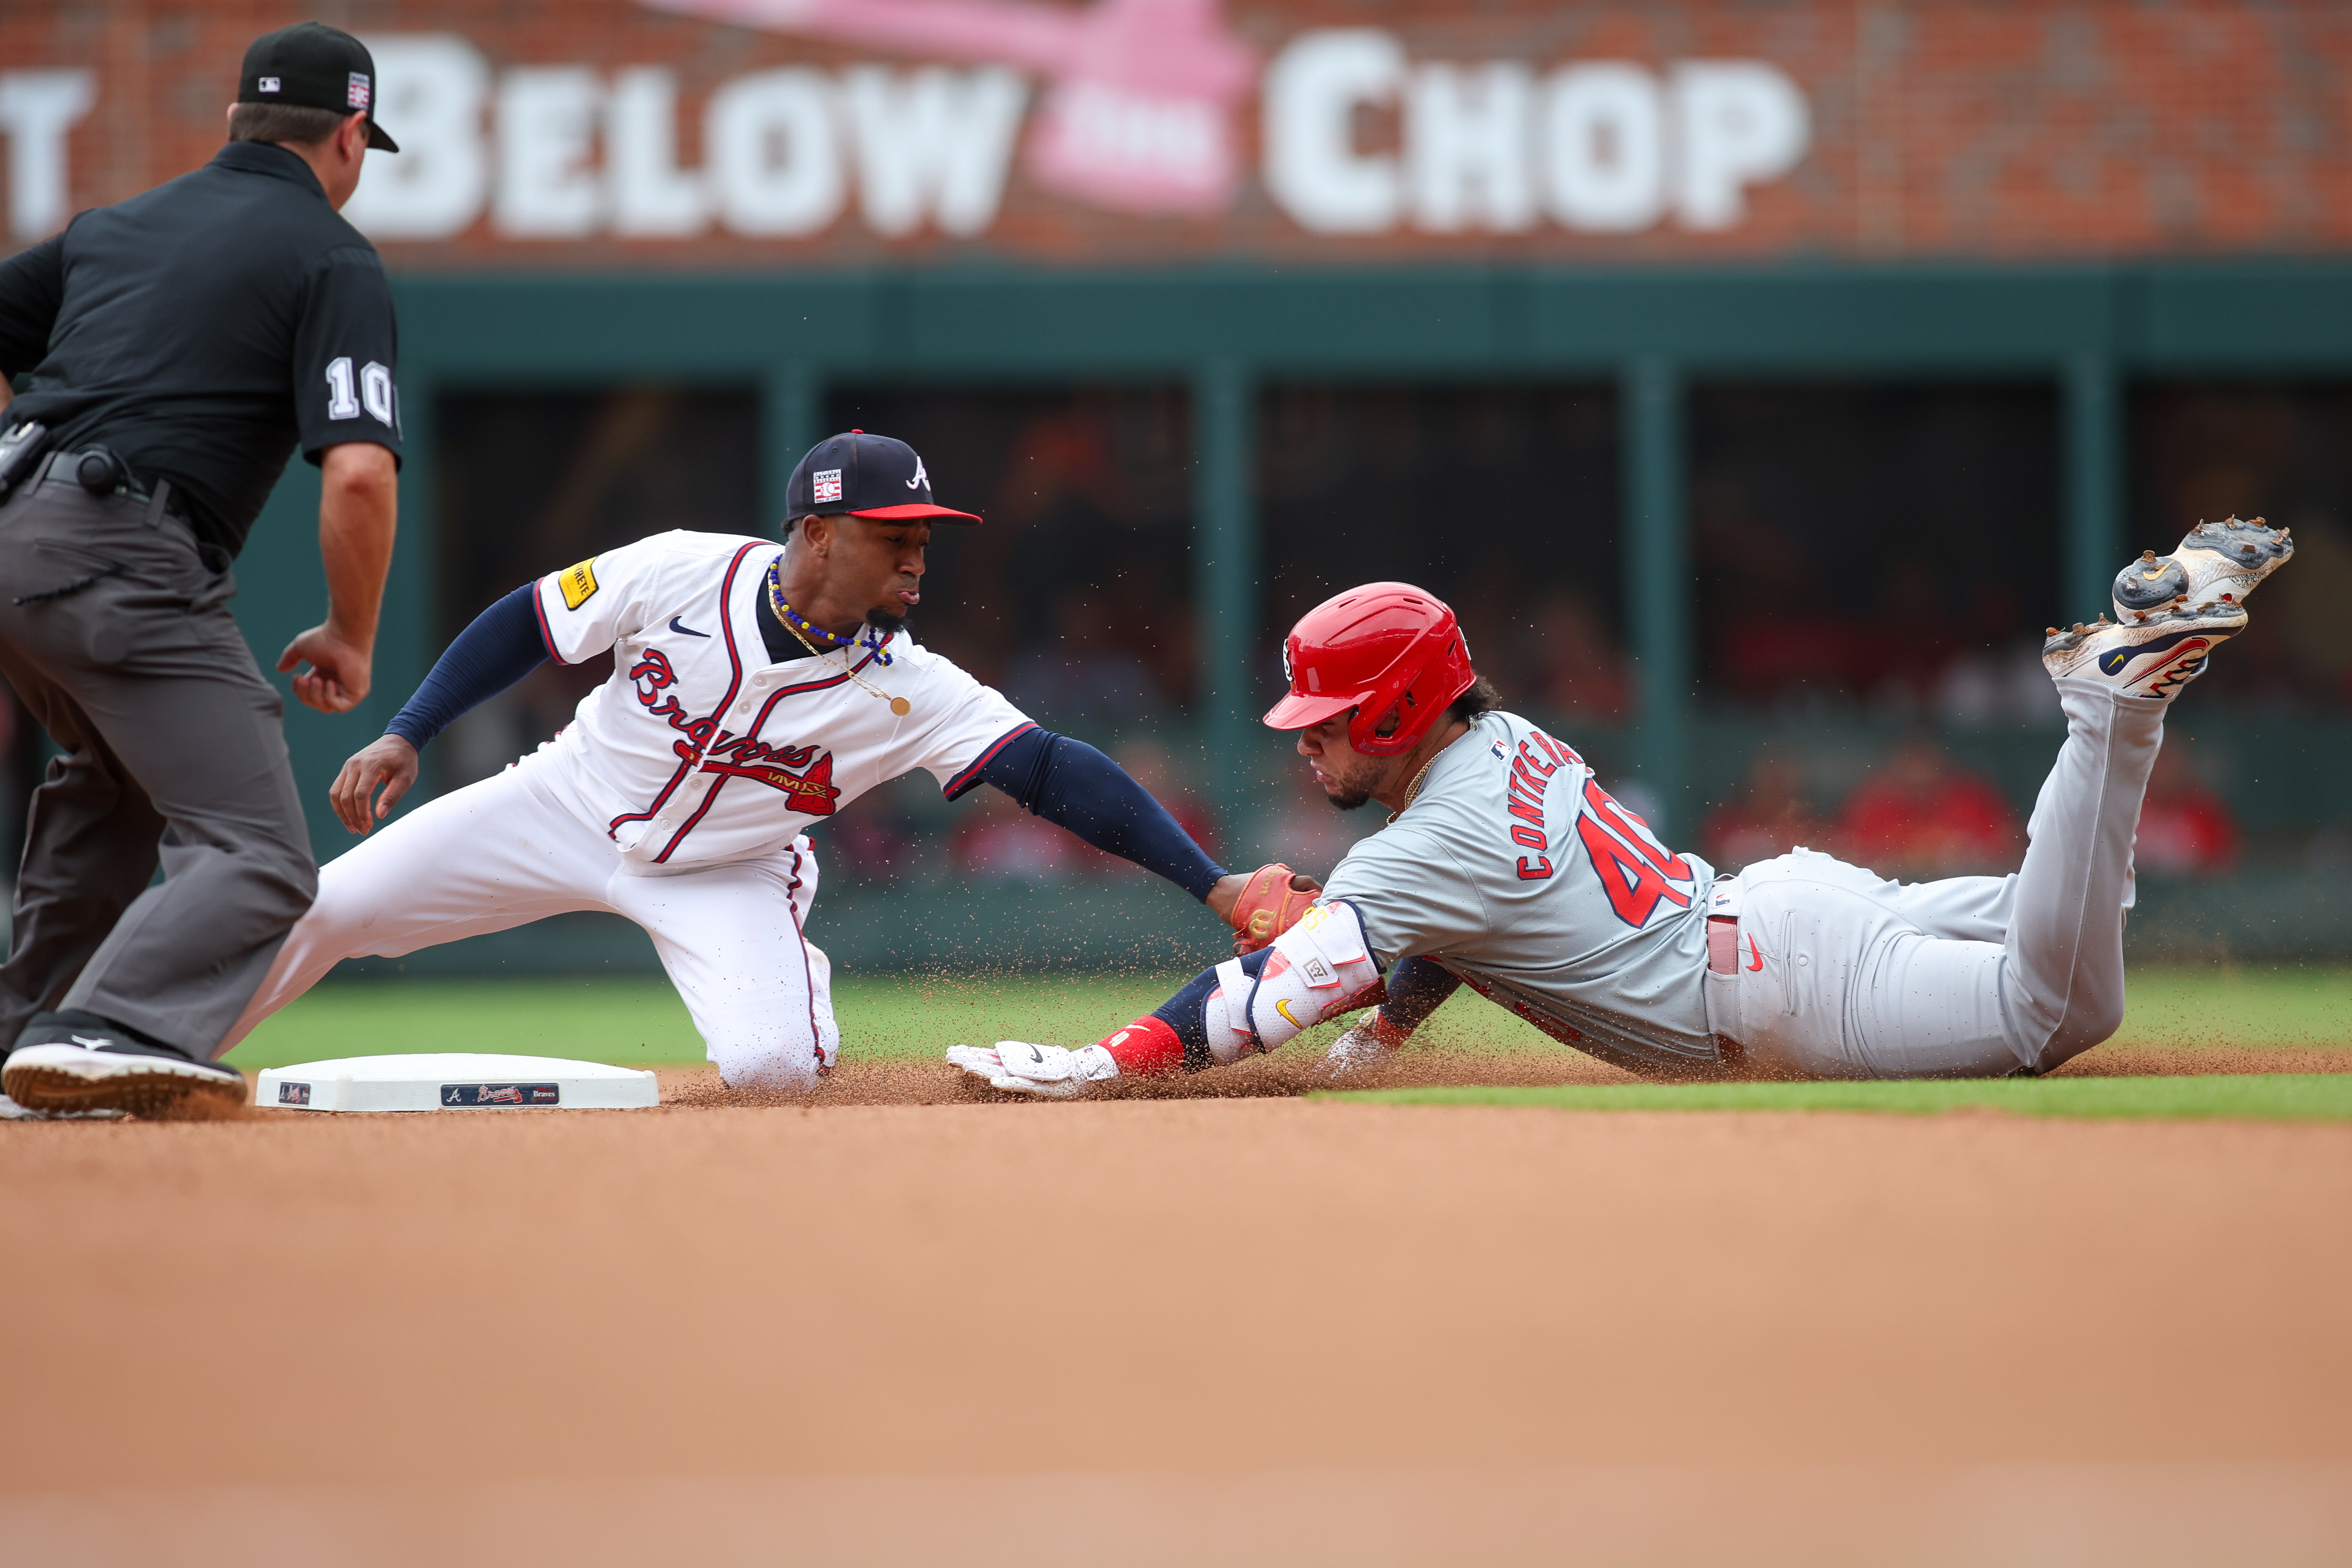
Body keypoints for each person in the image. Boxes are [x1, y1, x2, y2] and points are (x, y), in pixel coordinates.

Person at [948, 516, 2294, 1095]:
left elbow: (1260, 1001)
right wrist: (1396, 1025)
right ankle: (2121, 689)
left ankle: (2114, 699)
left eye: (1330, 720)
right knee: (2073, 921)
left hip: (1780, 984)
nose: (1307, 746)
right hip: (1778, 920)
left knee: (2062, 1006)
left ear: (1404, 709)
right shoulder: (1503, 740)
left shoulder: (1428, 840)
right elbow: (1456, 930)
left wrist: (1110, 1060)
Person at [214, 431, 1271, 1090]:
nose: (916, 553)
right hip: (564, 803)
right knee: (324, 907)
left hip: (730, 869)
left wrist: (1214, 883)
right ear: (814, 534)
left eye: (922, 534)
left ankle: (783, 981)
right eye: (889, 530)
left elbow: (1052, 771)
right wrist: (408, 730)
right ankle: (149, 1052)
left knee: (771, 1074)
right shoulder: (681, 570)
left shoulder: (912, 686)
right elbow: (528, 622)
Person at [0, 24, 403, 1119]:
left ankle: (20, 1037)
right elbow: (360, 472)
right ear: (351, 135)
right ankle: (104, 1026)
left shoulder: (114, 225)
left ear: (236, 121)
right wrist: (353, 635)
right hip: (118, 549)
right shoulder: (331, 253)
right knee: (263, 857)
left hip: (16, 543)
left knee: (114, 792)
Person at [1834, 735, 2021, 879]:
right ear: (1897, 764)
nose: (1920, 770)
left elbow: (2006, 849)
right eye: (1912, 761)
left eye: (1925, 760)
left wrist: (1954, 851)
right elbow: (1852, 855)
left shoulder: (1971, 795)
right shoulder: (1875, 800)